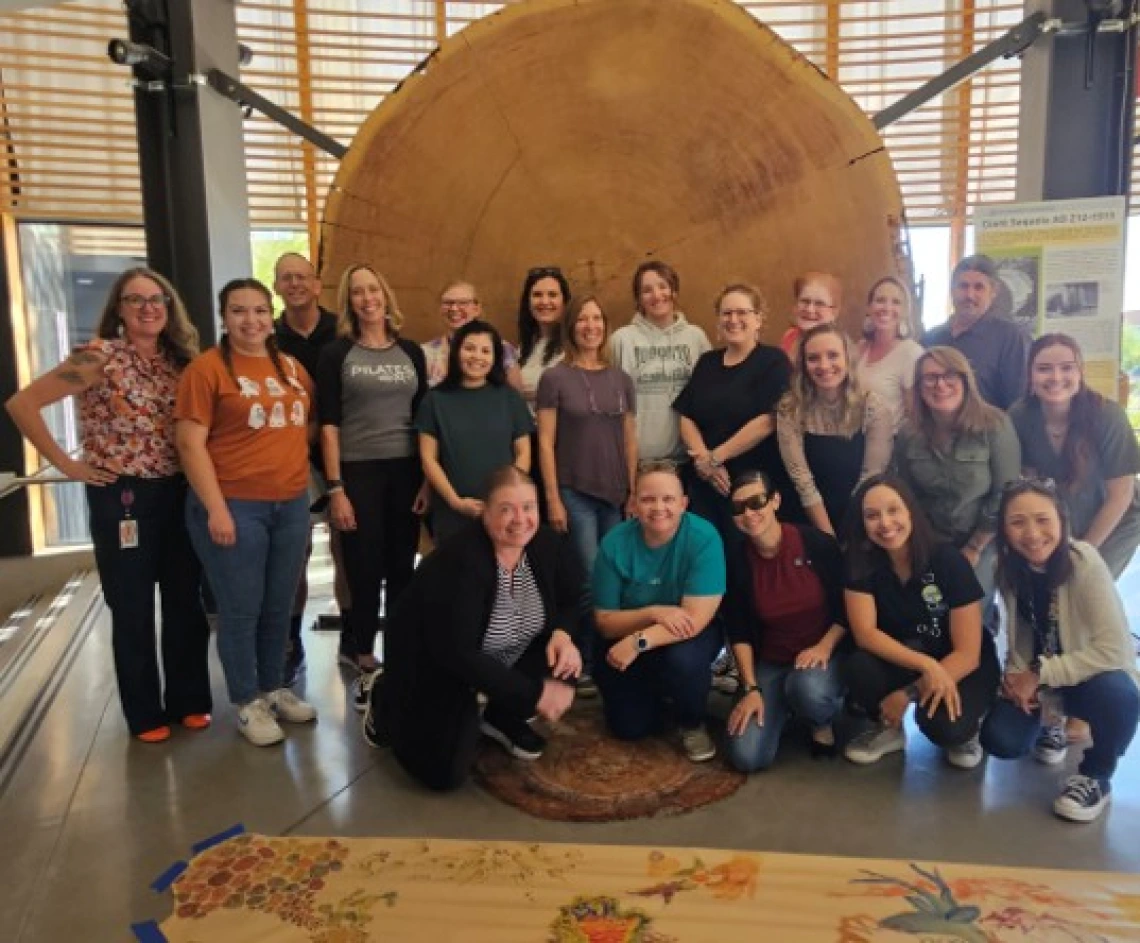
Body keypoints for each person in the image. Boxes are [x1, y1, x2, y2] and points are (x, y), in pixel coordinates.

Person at [5, 267, 211, 743]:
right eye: (135, 300)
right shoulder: (99, 358)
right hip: (123, 496)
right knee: (133, 606)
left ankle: (190, 700)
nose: (147, 308)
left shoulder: (181, 362)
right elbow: (22, 404)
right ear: (119, 308)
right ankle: (145, 714)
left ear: (169, 306)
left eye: (156, 299)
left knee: (184, 601)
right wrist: (66, 464)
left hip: (179, 492)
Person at [363, 466, 582, 791]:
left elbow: (572, 598)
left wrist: (564, 635)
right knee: (443, 774)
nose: (520, 519)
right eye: (506, 509)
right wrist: (535, 694)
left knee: (563, 658)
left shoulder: (547, 544)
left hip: (499, 650)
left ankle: (501, 716)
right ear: (484, 511)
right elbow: (457, 653)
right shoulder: (460, 562)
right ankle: (384, 699)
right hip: (437, 664)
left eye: (528, 507)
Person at [175, 278, 317, 747]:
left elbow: (307, 422)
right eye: (239, 311)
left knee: (280, 602)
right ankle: (246, 701)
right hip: (235, 504)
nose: (250, 320)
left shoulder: (291, 368)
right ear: (223, 316)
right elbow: (190, 443)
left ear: (270, 314)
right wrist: (216, 508)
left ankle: (275, 686)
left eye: (259, 310)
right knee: (241, 608)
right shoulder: (207, 370)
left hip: (291, 503)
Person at [979, 478, 1139, 823]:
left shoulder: (1085, 562)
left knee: (1120, 694)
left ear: (1061, 521)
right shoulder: (1007, 569)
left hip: (1087, 677)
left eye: (1043, 520)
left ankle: (1097, 775)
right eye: (1017, 522)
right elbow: (1019, 635)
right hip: (1045, 679)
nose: (1032, 534)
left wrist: (1038, 675)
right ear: (1004, 530)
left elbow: (1115, 651)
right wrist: (1016, 679)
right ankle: (1051, 721)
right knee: (1000, 740)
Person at [842, 474, 1001, 769]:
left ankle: (970, 728)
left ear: (910, 512)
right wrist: (927, 667)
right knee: (858, 666)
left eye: (893, 510)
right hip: (909, 657)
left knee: (945, 728)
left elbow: (968, 653)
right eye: (872, 516)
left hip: (961, 664)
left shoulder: (947, 559)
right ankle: (889, 729)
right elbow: (865, 633)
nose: (885, 523)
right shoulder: (860, 561)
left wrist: (908, 693)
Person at [316, 264, 427, 677]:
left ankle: (399, 650)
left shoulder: (410, 351)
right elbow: (329, 425)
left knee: (402, 565)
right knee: (364, 566)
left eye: (373, 289)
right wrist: (336, 487)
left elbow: (422, 418)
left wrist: (427, 481)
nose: (367, 298)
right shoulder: (337, 354)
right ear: (350, 301)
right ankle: (362, 650)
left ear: (386, 295)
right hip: (358, 471)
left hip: (406, 470)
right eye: (358, 292)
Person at [593, 461, 726, 762]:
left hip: (686, 635)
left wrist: (638, 641)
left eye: (668, 499)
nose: (658, 507)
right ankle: (657, 696)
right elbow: (604, 622)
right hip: (629, 631)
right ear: (633, 505)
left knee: (683, 660)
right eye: (648, 499)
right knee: (629, 728)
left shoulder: (704, 538)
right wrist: (654, 612)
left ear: (683, 504)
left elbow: (693, 620)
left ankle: (692, 722)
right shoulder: (614, 543)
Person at [536, 295, 637, 691]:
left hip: (615, 494)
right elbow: (545, 442)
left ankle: (609, 658)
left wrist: (632, 490)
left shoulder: (621, 379)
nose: (590, 326)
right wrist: (552, 498)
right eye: (582, 319)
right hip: (574, 490)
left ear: (605, 325)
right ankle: (587, 663)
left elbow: (630, 440)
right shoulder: (554, 378)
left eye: (597, 318)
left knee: (613, 578)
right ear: (571, 326)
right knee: (590, 579)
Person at [722, 471, 847, 772]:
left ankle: (821, 721)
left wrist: (824, 647)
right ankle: (784, 706)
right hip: (773, 661)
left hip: (824, 652)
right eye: (739, 508)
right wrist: (750, 688)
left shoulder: (816, 544)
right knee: (746, 757)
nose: (749, 514)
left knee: (807, 689)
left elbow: (849, 608)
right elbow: (738, 630)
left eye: (756, 502)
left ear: (775, 500)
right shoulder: (737, 560)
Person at [272, 251, 349, 682]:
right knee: (293, 555)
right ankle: (289, 640)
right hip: (289, 460)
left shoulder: (342, 330)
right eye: (287, 278)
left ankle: (352, 639)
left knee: (346, 551)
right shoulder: (268, 336)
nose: (296, 284)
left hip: (342, 455)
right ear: (278, 286)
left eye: (303, 276)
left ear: (318, 284)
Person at [893, 347, 1021, 597]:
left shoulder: (995, 425)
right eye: (930, 378)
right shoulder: (909, 433)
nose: (940, 385)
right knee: (928, 604)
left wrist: (974, 546)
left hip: (983, 538)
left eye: (950, 375)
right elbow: (906, 494)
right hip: (930, 537)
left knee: (971, 601)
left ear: (965, 380)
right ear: (919, 387)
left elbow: (1007, 493)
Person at [1010, 333, 1140, 579]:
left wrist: (1082, 552)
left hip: (1115, 522)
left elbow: (1121, 495)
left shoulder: (1108, 416)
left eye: (1066, 368)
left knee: (1087, 584)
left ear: (1080, 372)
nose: (1056, 377)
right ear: (1030, 375)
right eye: (1044, 369)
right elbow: (1028, 482)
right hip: (1059, 523)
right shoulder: (1019, 416)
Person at [674, 283, 793, 537]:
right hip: (706, 482)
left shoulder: (773, 361)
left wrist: (717, 458)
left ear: (758, 319)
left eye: (742, 312)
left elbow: (768, 420)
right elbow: (686, 415)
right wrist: (704, 460)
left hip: (754, 486)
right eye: (726, 313)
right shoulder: (708, 362)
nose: (733, 320)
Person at [415, 319, 533, 544]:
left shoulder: (510, 398)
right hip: (452, 513)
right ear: (456, 351)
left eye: (485, 351)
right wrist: (455, 502)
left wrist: (504, 498)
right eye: (469, 348)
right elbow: (428, 459)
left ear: (495, 357)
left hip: (504, 513)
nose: (477, 357)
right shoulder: (435, 400)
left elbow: (523, 453)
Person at [777, 323, 892, 537]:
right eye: (813, 358)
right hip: (805, 513)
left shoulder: (874, 407)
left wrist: (849, 535)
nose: (824, 365)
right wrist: (827, 537)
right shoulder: (789, 409)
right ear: (803, 365)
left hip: (859, 515)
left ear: (848, 359)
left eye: (833, 355)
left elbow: (870, 479)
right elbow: (803, 482)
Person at [610, 261, 710, 460]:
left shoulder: (696, 338)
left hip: (688, 459)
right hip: (639, 460)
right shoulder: (622, 339)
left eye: (663, 286)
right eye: (647, 290)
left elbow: (708, 396)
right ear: (638, 298)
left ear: (674, 291)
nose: (656, 295)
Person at [923, 254, 1030, 410]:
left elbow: (1016, 401)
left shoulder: (1009, 337)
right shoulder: (931, 338)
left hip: (987, 432)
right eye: (963, 286)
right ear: (952, 290)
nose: (969, 295)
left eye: (979, 287)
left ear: (993, 292)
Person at [853, 275, 924, 428]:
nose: (886, 308)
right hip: (855, 440)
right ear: (869, 307)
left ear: (905, 311)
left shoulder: (911, 353)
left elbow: (915, 416)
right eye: (880, 300)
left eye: (896, 302)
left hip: (890, 444)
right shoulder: (859, 348)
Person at [421, 280, 521, 389]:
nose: (454, 308)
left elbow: (516, 394)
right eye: (448, 302)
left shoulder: (501, 348)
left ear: (477, 309)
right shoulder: (427, 352)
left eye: (463, 303)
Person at [516, 266, 569, 412]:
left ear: (564, 302)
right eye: (537, 295)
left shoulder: (572, 346)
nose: (544, 301)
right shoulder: (525, 347)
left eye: (552, 295)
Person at [779, 271, 842, 360]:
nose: (810, 310)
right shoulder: (790, 336)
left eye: (819, 303)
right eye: (805, 301)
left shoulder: (837, 347)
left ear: (834, 311)